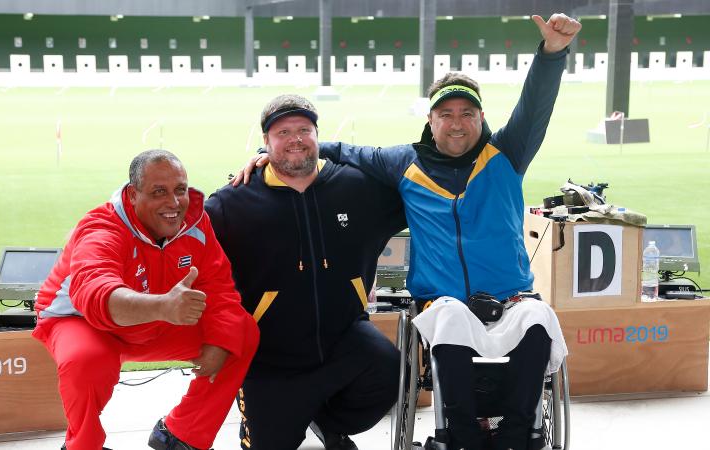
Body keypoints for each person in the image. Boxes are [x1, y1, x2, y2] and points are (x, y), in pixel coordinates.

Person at [235, 14, 579, 450]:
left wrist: (551, 53)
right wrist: (269, 154)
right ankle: (460, 438)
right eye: (446, 114)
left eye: (466, 114)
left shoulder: (506, 155)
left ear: (481, 118)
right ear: (430, 121)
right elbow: (341, 150)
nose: (457, 123)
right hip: (443, 303)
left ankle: (519, 435)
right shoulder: (404, 163)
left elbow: (536, 105)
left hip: (511, 298)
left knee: (538, 318)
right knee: (451, 315)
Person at [205, 94, 407, 450]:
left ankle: (325, 420)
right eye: (283, 132)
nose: (295, 139)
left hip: (345, 337)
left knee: (389, 374)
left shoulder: (360, 188)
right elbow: (190, 253)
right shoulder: (233, 201)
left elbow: (422, 188)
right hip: (270, 355)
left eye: (304, 130)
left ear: (318, 136)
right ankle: (277, 415)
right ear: (265, 143)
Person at [32, 150, 259, 450]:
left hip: (159, 321)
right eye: (158, 192)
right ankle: (83, 445)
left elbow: (219, 289)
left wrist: (220, 340)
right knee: (86, 360)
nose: (174, 203)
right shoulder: (102, 228)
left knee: (238, 331)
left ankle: (182, 437)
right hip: (84, 322)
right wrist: (164, 306)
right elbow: (96, 292)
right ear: (133, 194)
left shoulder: (195, 223)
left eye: (180, 190)